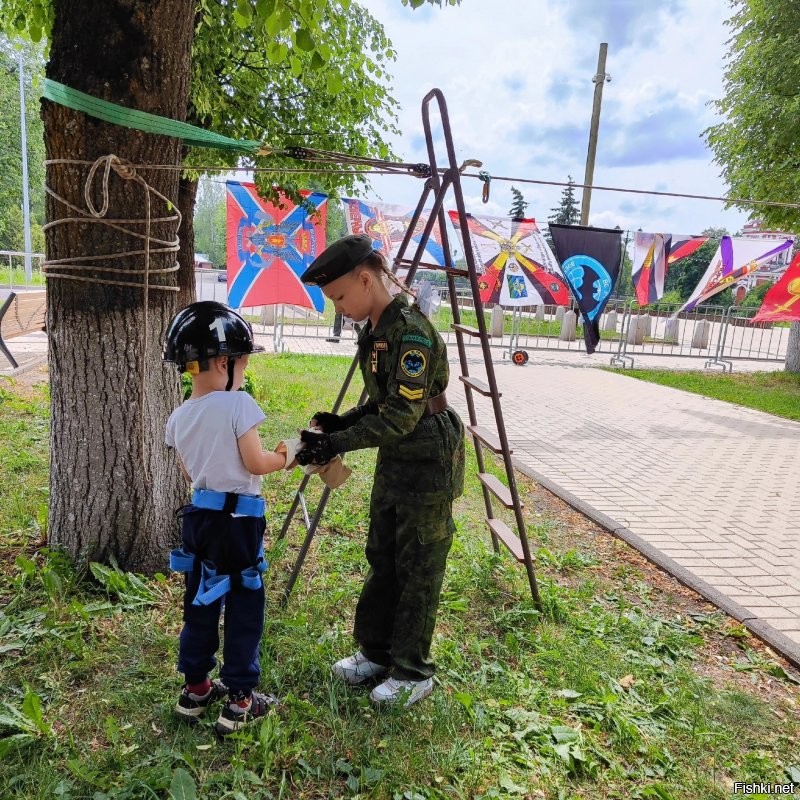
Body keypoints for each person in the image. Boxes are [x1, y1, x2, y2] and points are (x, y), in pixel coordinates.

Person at [299, 234, 465, 708]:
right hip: (398, 455)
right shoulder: (376, 328)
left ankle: (413, 671)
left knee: (419, 564)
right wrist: (340, 423)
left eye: (340, 297)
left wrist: (337, 441)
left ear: (367, 280)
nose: (339, 307)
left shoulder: (410, 333)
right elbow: (379, 405)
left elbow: (401, 416)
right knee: (383, 553)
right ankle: (375, 653)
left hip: (427, 455)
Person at [163, 300, 287, 735]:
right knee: (244, 600)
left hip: (199, 519)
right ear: (222, 362)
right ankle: (239, 700)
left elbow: (189, 473)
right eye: (243, 362)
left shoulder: (178, 417)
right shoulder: (238, 405)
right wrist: (284, 456)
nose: (244, 371)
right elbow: (255, 463)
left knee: (200, 596)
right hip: (239, 522)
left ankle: (196, 687)